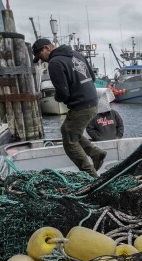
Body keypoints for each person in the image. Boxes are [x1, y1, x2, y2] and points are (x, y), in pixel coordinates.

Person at [32, 38, 107, 177]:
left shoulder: (55, 63)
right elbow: (93, 78)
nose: (41, 60)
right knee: (68, 130)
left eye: (40, 55)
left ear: (47, 48)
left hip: (81, 106)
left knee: (70, 142)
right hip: (92, 102)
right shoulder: (77, 54)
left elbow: (63, 93)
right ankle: (96, 153)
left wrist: (57, 98)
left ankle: (92, 176)